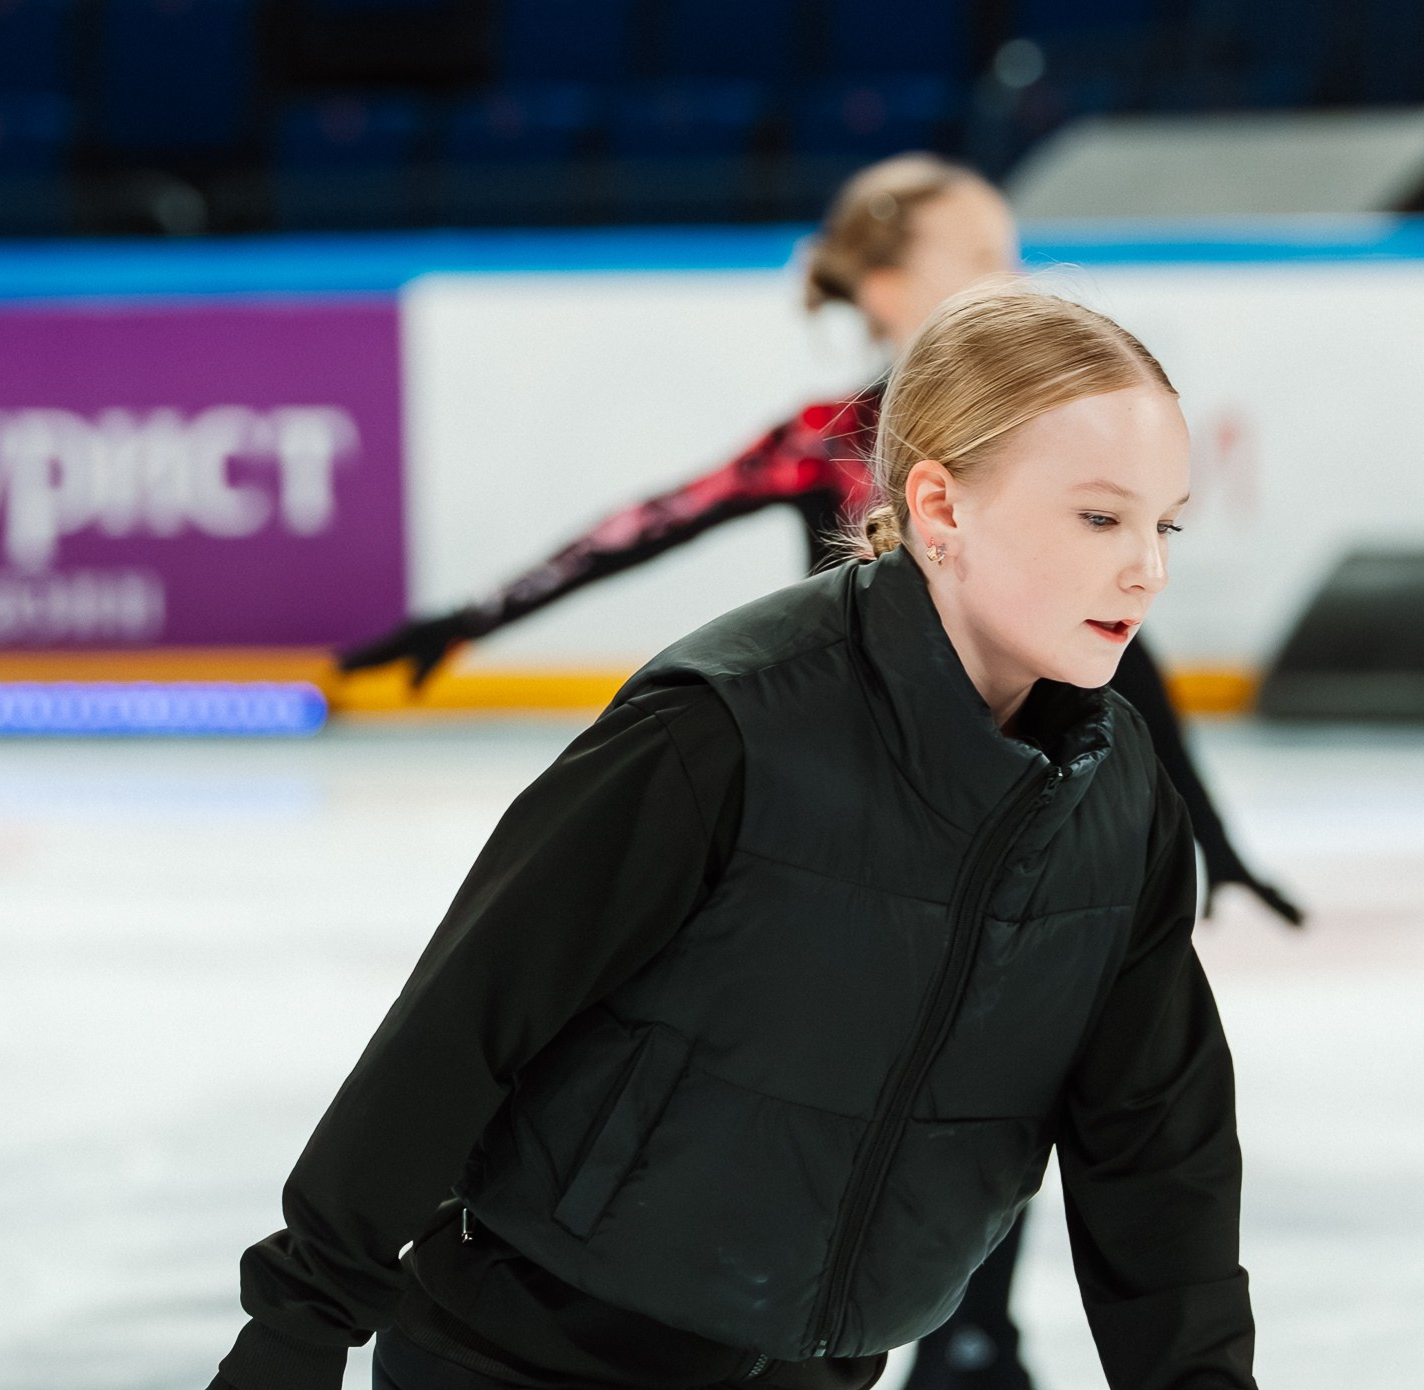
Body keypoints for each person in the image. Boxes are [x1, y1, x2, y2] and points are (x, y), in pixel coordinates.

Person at [174, 287, 1296, 1390]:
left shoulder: (1119, 810)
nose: (1146, 572)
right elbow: (464, 1024)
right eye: (1099, 517)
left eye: (1165, 525)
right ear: (938, 504)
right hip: (530, 1384)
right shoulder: (729, 730)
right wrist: (300, 1325)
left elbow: (1153, 1156)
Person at [339, 154, 1301, 927]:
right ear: (886, 290)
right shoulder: (827, 441)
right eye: (980, 257)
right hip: (848, 814)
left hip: (1003, 814)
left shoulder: (1045, 451)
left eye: (1012, 255)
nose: (1009, 281)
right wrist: (470, 619)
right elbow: (643, 528)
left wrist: (1209, 841)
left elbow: (1123, 661)